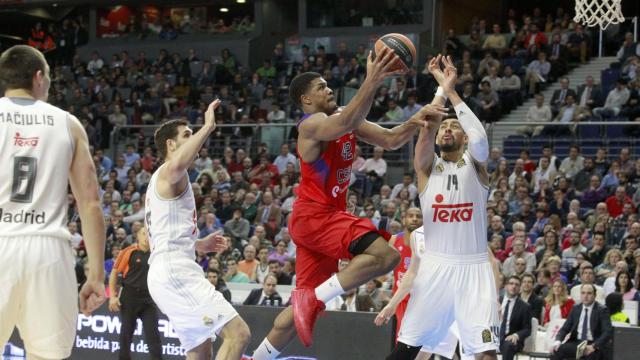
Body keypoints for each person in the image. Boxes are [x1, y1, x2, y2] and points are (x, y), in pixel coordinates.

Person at [250, 47, 447, 360]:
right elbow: (345, 123)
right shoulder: (310, 125)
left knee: (302, 313)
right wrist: (372, 79)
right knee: (387, 256)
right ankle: (313, 298)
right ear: (306, 100)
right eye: (321, 87)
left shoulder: (346, 116)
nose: (329, 89)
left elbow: (391, 138)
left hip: (321, 220)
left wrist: (416, 121)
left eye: (329, 85)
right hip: (316, 216)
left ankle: (256, 357)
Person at [384, 55, 499, 359]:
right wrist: (439, 89)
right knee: (406, 350)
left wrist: (451, 91)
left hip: (475, 270)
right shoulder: (425, 169)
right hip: (435, 268)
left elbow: (481, 139)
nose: (447, 129)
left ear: (462, 137)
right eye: (443, 126)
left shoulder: (476, 165)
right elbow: (427, 127)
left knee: (486, 353)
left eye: (454, 126)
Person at [0, 45, 106, 359]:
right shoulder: (67, 124)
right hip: (48, 250)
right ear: (39, 77)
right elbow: (90, 204)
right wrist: (96, 275)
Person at [144, 100, 250, 360]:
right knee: (238, 334)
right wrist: (207, 128)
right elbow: (178, 166)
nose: (193, 138)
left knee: (200, 349)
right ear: (171, 145)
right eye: (186, 135)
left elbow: (165, 235)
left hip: (166, 268)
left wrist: (199, 244)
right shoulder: (171, 171)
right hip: (174, 270)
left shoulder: (158, 181)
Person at [108, 226, 162, 360]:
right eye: (143, 233)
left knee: (153, 335)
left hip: (148, 299)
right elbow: (114, 273)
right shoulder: (128, 251)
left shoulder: (157, 254)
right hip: (129, 297)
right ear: (138, 236)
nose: (146, 236)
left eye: (149, 234)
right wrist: (112, 297)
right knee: (126, 335)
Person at [550, 284, 612, 360]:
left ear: (595, 295)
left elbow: (607, 332)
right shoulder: (576, 308)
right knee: (556, 351)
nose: (585, 296)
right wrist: (558, 341)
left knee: (590, 356)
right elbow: (565, 328)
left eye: (589, 293)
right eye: (583, 293)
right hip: (576, 342)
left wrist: (594, 346)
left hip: (592, 343)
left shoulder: (602, 310)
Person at [387, 207, 423, 338]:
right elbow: (384, 269)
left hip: (421, 298)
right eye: (411, 216)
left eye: (418, 216)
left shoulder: (430, 242)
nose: (414, 219)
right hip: (401, 298)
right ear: (403, 219)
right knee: (403, 338)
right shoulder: (394, 240)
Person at [499, 276, 533, 360]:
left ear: (520, 288)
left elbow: (527, 329)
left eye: (517, 285)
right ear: (506, 286)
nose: (514, 286)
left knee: (508, 345)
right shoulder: (496, 301)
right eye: (511, 284)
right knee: (482, 342)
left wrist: (516, 335)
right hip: (494, 336)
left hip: (511, 339)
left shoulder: (525, 307)